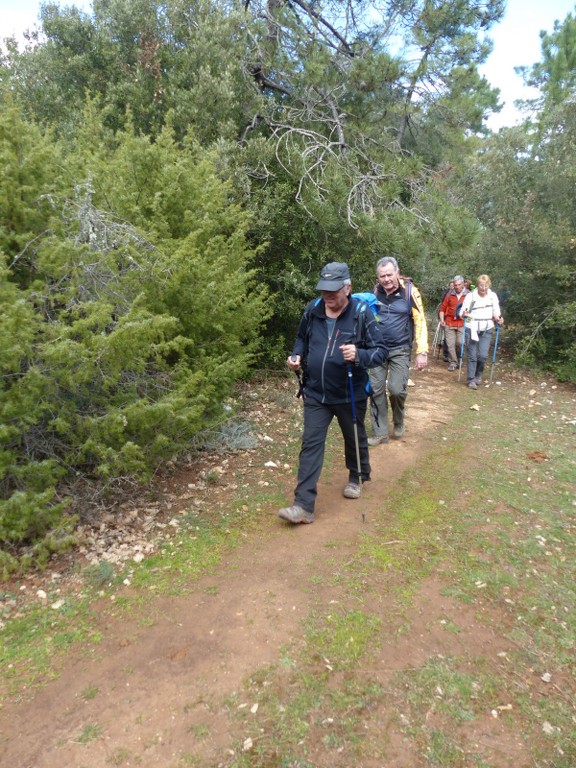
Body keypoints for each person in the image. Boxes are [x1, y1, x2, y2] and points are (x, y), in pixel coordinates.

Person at [278, 262, 388, 525]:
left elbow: (381, 352)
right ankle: (303, 505)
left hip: (349, 392)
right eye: (324, 290)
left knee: (353, 435)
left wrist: (359, 355)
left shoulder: (361, 313)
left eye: (333, 291)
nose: (327, 296)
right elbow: (301, 339)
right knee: (311, 444)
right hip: (316, 392)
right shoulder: (313, 310)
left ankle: (356, 476)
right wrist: (296, 356)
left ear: (347, 288)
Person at [367, 256, 428, 445]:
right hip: (377, 349)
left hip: (400, 349)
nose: (386, 279)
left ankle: (399, 420)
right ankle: (380, 432)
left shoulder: (410, 292)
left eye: (389, 275)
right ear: (377, 278)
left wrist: (421, 351)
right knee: (376, 390)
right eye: (382, 276)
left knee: (396, 390)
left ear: (397, 273)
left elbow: (420, 321)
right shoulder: (375, 292)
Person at [460, 274, 504, 389]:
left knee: (483, 356)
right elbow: (463, 312)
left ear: (489, 285)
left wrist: (498, 318)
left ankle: (478, 374)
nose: (483, 288)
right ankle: (471, 380)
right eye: (481, 285)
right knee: (472, 355)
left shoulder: (492, 296)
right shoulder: (471, 296)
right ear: (478, 285)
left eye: (485, 285)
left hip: (487, 327)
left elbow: (496, 311)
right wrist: (464, 314)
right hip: (472, 326)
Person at [438, 275, 469, 371]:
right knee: (450, 344)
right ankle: (453, 362)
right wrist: (442, 320)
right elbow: (442, 309)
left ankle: (459, 358)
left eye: (459, 284)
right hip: (449, 322)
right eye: (455, 285)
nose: (457, 287)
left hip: (462, 322)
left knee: (460, 343)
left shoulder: (469, 295)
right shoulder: (449, 294)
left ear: (463, 284)